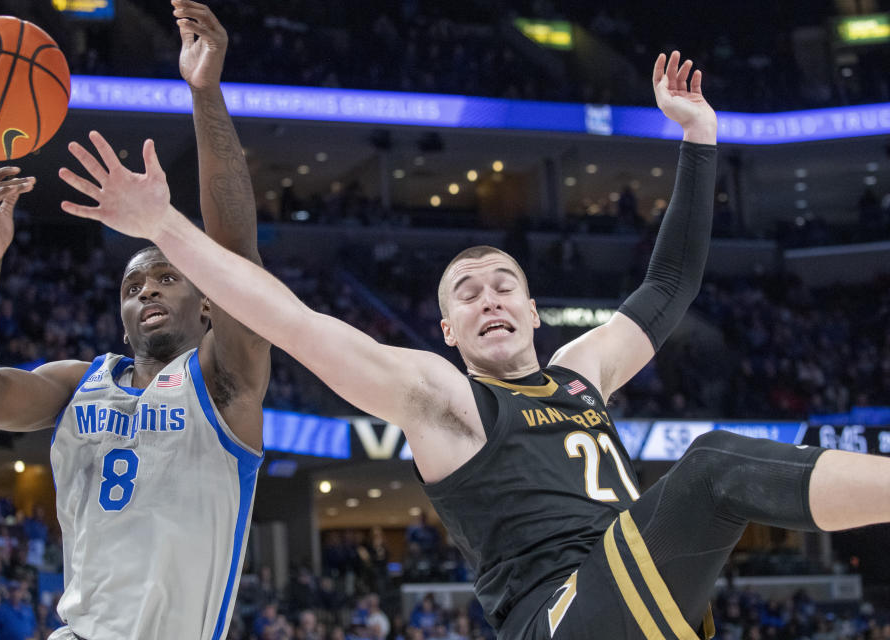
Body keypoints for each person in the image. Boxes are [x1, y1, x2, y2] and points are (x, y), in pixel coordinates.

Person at [59, 52, 890, 639]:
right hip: (560, 617)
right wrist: (163, 224)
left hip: (638, 610)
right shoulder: (447, 402)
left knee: (733, 468)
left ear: (534, 313)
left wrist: (700, 138)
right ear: (449, 333)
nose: (488, 295)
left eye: (503, 285)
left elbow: (669, 286)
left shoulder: (580, 376)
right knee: (711, 465)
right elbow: (291, 321)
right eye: (466, 292)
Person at [0, 3, 270, 639]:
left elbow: (235, 256)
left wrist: (204, 94)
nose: (146, 287)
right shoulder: (79, 382)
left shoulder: (226, 382)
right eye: (132, 285)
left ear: (208, 302)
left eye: (167, 276)